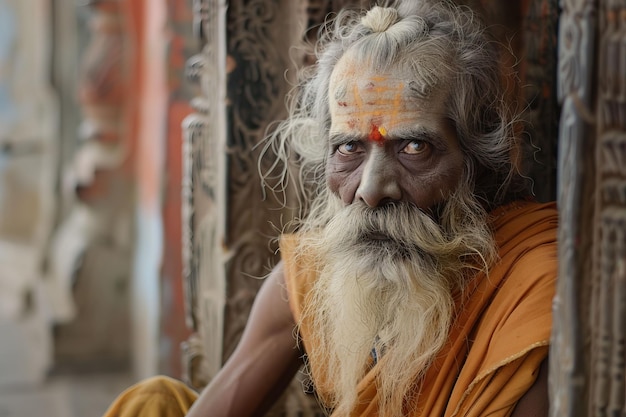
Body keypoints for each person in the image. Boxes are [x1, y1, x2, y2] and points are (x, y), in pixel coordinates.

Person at [104, 0, 557, 416]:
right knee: (153, 403)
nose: (371, 189)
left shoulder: (533, 285)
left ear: (476, 161)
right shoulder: (315, 274)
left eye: (415, 147)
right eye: (348, 148)